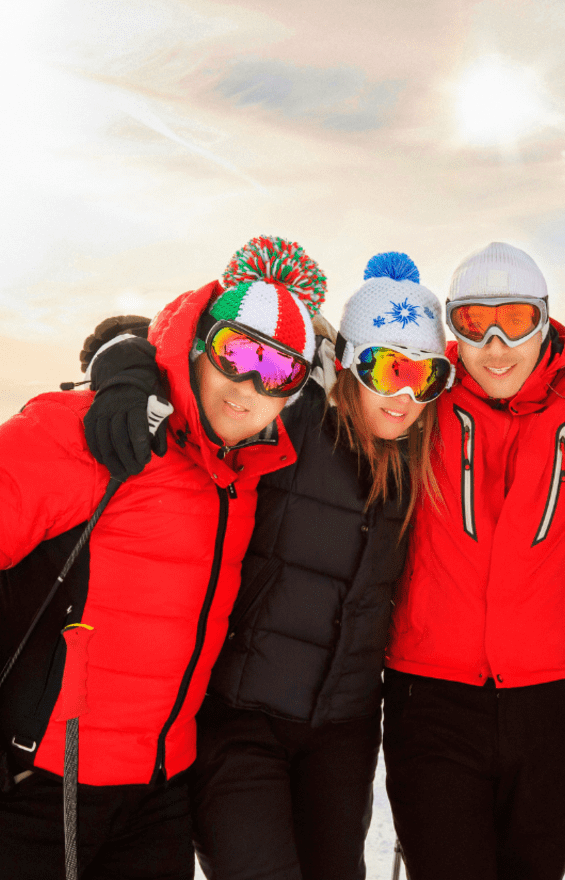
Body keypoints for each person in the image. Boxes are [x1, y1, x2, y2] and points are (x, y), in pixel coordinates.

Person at [0, 236, 324, 879]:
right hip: (31, 788)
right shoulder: (85, 431)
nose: (250, 385)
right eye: (237, 353)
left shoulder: (244, 473)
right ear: (201, 344)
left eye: (280, 372)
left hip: (157, 796)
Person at [79, 252, 450, 878]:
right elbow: (203, 349)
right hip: (241, 717)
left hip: (343, 731)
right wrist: (123, 361)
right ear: (345, 362)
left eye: (422, 375)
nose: (402, 392)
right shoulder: (291, 416)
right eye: (384, 367)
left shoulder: (426, 455)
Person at [382, 242, 565, 880]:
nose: (495, 346)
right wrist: (131, 358)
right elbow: (326, 380)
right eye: (472, 322)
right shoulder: (420, 397)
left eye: (515, 320)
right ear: (452, 331)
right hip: (430, 695)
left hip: (545, 699)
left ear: (546, 321)